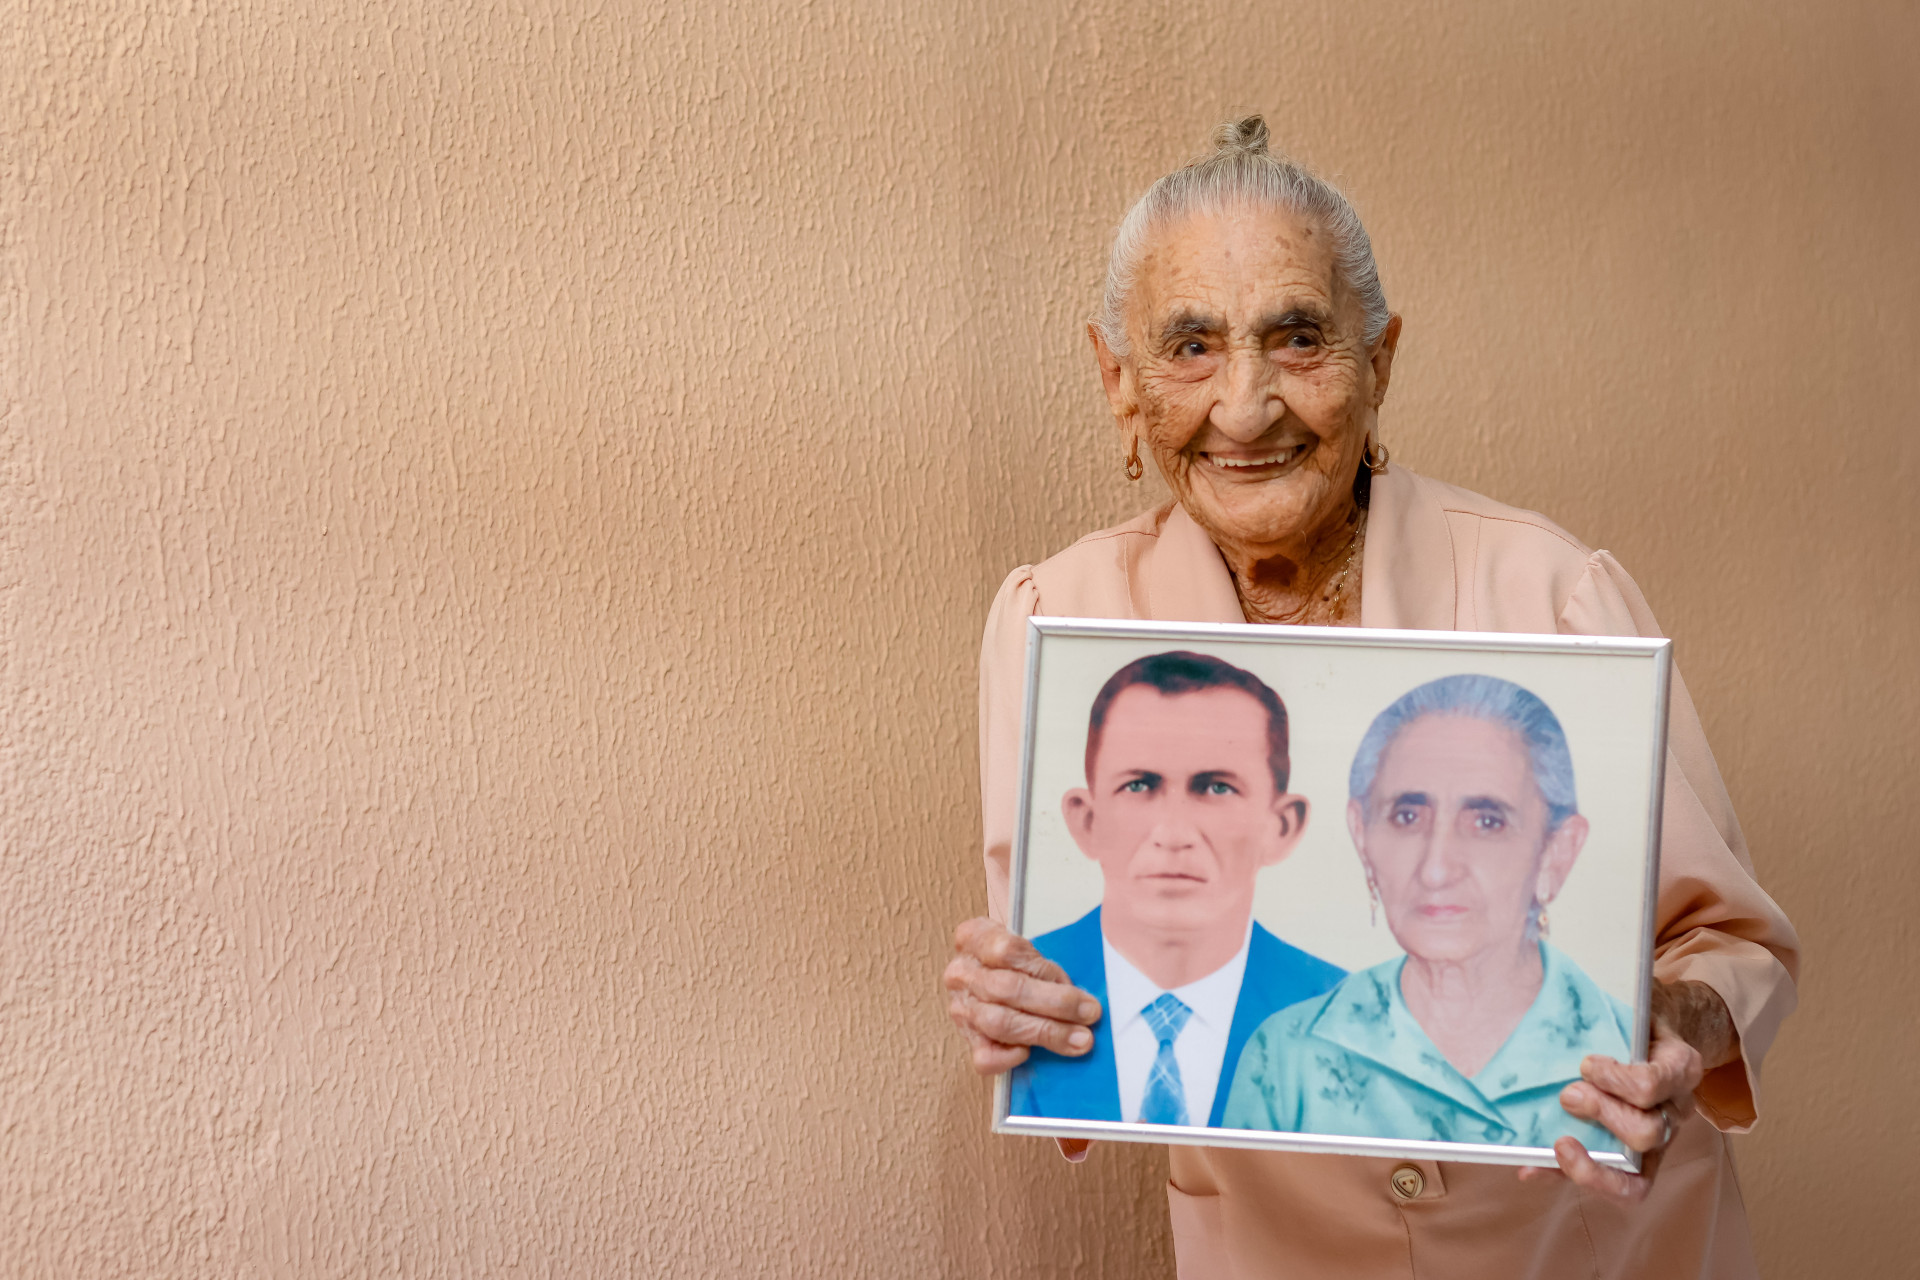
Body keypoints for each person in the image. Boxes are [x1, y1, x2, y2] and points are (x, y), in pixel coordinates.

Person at [942, 115, 1799, 1276]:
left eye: (1297, 338)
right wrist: (1022, 1007)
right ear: (1118, 383)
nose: (1245, 406)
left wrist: (1673, 1032)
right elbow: (1087, 1016)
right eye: (1189, 346)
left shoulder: (1549, 588)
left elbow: (1730, 945)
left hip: (1592, 1243)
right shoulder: (1057, 619)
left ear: (1379, 361)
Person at [1222, 673, 1633, 1153]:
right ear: (1362, 835)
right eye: (1407, 816)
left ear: (1557, 853)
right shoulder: (1286, 1053)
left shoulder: (1634, 1057)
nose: (1436, 869)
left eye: (1487, 821)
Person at [1010, 650, 1345, 1128]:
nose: (1173, 832)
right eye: (1140, 785)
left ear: (1281, 826)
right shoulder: (1015, 993)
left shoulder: (1347, 1018)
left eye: (1216, 788)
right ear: (1087, 820)